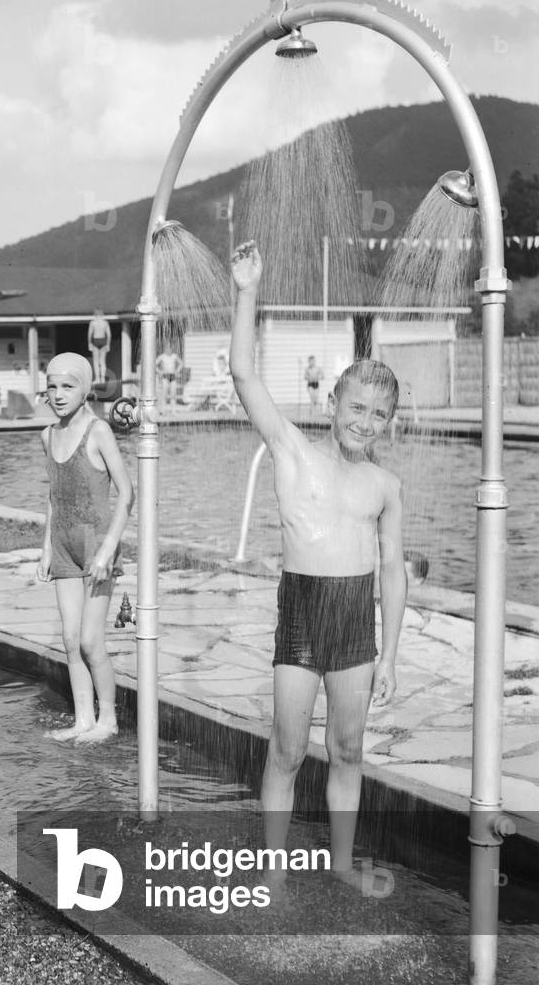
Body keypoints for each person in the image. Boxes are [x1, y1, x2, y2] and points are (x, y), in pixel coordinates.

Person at [228, 241, 406, 891]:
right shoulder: (292, 452)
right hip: (303, 610)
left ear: (389, 423)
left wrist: (389, 655)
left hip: (356, 619)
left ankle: (339, 863)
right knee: (286, 747)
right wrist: (247, 289)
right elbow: (244, 376)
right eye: (356, 408)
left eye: (378, 415)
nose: (365, 422)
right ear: (333, 402)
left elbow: (393, 573)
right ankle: (273, 871)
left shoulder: (384, 487)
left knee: (348, 750)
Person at [38, 352, 134, 744]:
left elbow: (127, 493)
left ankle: (107, 719)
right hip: (62, 545)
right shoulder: (48, 436)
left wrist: (108, 549)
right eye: (52, 386)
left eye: (68, 385)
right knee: (70, 638)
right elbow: (52, 495)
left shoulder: (98, 432)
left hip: (96, 545)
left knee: (92, 640)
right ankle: (82, 719)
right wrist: (45, 547)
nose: (58, 395)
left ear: (85, 389)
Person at [87, 309, 113, 385]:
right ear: (102, 315)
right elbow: (109, 334)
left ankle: (98, 379)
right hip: (103, 340)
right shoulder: (105, 322)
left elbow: (89, 334)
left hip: (95, 340)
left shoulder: (93, 322)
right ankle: (103, 379)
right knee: (102, 362)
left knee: (96, 362)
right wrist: (108, 344)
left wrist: (89, 343)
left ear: (95, 315)